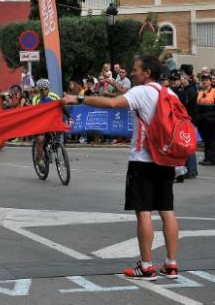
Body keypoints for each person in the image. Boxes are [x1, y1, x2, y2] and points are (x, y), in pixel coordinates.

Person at [61, 55, 181, 280]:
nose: (132, 72)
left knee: (144, 211)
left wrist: (78, 99)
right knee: (167, 210)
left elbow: (112, 103)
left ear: (147, 73)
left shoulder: (141, 91)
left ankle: (146, 267)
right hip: (166, 158)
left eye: (136, 69)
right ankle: (171, 264)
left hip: (143, 159)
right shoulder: (170, 94)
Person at [32, 78, 60, 167]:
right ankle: (40, 159)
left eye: (46, 89)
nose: (44, 91)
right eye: (41, 90)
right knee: (40, 140)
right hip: (40, 123)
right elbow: (34, 114)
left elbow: (60, 108)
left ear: (49, 88)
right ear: (39, 90)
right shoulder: (35, 99)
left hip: (51, 120)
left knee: (60, 129)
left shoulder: (54, 97)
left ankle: (53, 145)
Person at [197, 74, 215, 166]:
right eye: (203, 80)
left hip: (211, 118)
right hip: (201, 118)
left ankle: (211, 159)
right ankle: (207, 158)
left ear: (210, 82)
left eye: (207, 80)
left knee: (210, 139)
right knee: (206, 139)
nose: (205, 81)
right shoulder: (200, 92)